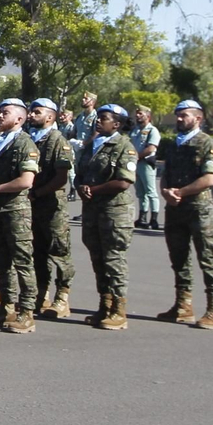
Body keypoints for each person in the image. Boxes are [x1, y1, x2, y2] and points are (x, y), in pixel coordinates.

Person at [157, 99, 213, 330]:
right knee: (179, 258)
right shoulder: (174, 144)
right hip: (175, 209)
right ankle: (183, 305)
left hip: (199, 209)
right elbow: (165, 173)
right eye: (177, 114)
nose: (178, 118)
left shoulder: (207, 143)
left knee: (207, 259)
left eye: (184, 115)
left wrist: (180, 192)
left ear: (198, 118)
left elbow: (209, 179)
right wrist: (166, 191)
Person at [0, 97, 40, 334]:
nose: (0, 116)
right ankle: (6, 308)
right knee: (2, 263)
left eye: (6, 113)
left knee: (22, 262)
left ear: (20, 119)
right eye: (0, 112)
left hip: (15, 211)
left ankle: (27, 312)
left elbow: (26, 181)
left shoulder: (25, 144)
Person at [75, 103, 137, 330]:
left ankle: (119, 310)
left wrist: (94, 189)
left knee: (114, 260)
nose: (98, 121)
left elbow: (124, 181)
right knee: (97, 259)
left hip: (115, 212)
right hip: (93, 211)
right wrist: (81, 186)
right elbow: (80, 173)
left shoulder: (124, 146)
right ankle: (105, 304)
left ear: (117, 124)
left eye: (104, 118)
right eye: (98, 117)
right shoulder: (92, 145)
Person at [27, 97, 75, 318]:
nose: (31, 115)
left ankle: (62, 297)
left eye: (37, 112)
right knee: (38, 252)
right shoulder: (29, 138)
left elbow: (61, 178)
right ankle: (42, 294)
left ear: (50, 116)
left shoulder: (57, 140)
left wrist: (37, 193)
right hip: (33, 204)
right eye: (31, 112)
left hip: (52, 206)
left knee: (59, 251)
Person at [131, 106, 162, 230]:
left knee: (151, 192)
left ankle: (154, 219)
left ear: (148, 116)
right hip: (136, 164)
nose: (138, 115)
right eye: (137, 113)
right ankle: (142, 217)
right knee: (140, 192)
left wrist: (137, 157)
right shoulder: (135, 130)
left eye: (140, 114)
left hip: (145, 163)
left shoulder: (152, 130)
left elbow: (151, 148)